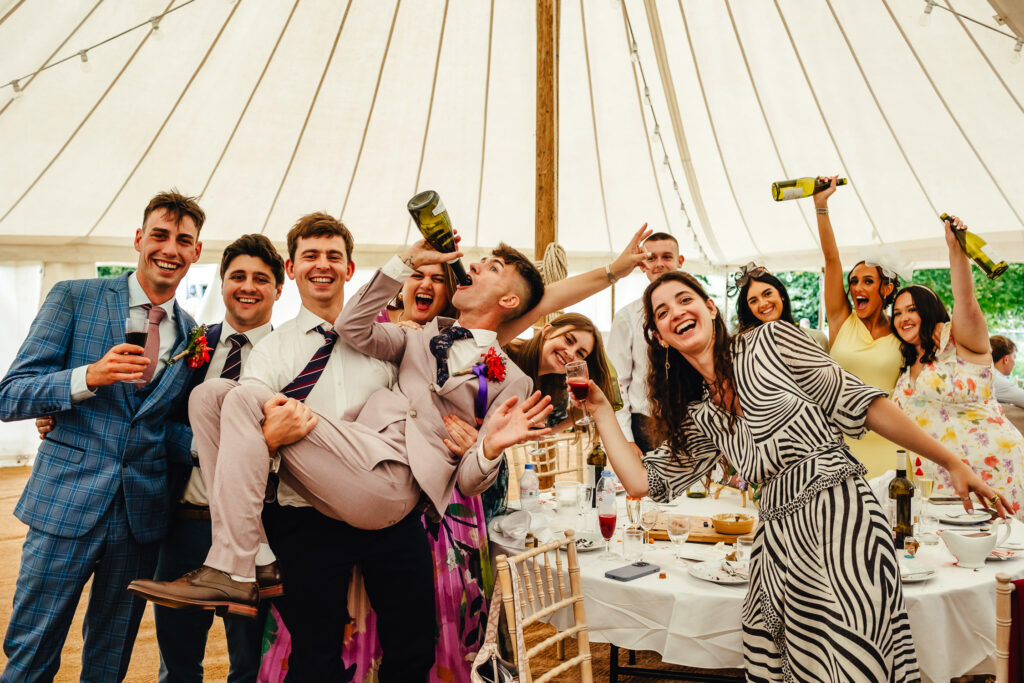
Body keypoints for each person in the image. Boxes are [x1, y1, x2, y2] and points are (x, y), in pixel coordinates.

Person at [128, 233, 556, 680]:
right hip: (352, 465)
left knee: (235, 400)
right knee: (211, 396)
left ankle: (237, 565)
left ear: (508, 298)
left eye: (490, 267)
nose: (475, 267)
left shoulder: (514, 379)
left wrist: (488, 447)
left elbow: (469, 480)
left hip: (396, 485)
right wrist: (403, 258)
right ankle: (245, 558)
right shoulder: (416, 337)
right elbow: (352, 326)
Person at [575, 270, 1010, 682]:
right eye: (662, 312)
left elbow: (863, 403)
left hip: (841, 516)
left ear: (710, 308)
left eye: (684, 300)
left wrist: (953, 462)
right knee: (779, 652)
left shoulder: (770, 341)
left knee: (852, 648)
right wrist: (599, 410)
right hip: (778, 538)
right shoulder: (699, 413)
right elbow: (640, 482)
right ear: (658, 336)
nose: (676, 313)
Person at [0, 191, 204, 682]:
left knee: (108, 664)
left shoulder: (196, 335)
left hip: (140, 522)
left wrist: (219, 446)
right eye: (159, 235)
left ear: (196, 252)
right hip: (64, 506)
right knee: (32, 654)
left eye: (183, 240)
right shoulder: (74, 296)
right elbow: (10, 395)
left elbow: (163, 428)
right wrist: (87, 376)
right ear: (139, 239)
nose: (169, 249)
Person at [891, 216, 1024, 518]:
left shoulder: (958, 342)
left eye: (912, 309)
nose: (904, 318)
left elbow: (965, 300)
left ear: (929, 312)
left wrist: (955, 250)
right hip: (937, 485)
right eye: (897, 313)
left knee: (1006, 558)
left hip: (993, 471)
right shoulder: (904, 364)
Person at [815, 175, 903, 477]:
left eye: (868, 281)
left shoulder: (902, 332)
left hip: (891, 444)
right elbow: (831, 260)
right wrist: (821, 207)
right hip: (842, 443)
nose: (857, 288)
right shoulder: (841, 319)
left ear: (886, 289)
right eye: (854, 281)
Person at [608, 231, 684, 458]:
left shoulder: (696, 313)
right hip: (645, 427)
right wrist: (626, 439)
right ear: (642, 265)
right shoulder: (627, 317)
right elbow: (616, 383)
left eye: (667, 256)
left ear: (680, 261)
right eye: (652, 258)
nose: (659, 264)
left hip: (694, 421)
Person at [732, 263, 828, 350]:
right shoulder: (744, 347)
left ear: (781, 294)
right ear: (749, 309)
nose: (763, 303)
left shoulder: (816, 339)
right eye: (753, 301)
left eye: (767, 294)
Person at [991, 335, 1024, 409]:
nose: (1014, 363)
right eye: (1014, 357)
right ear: (1006, 359)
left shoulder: (987, 375)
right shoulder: (996, 379)